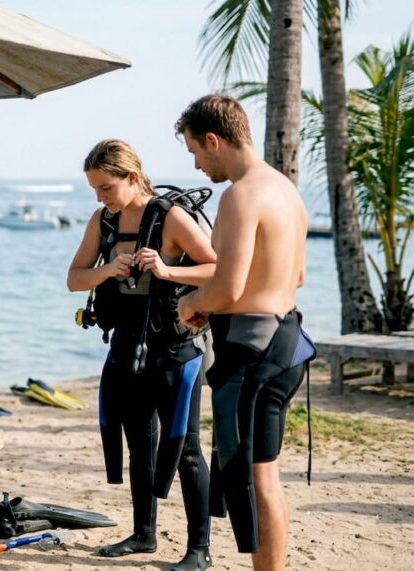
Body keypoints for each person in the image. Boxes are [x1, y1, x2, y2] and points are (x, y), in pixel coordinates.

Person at [175, 94, 313, 570]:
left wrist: (193, 302)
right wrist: (218, 305)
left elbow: (229, 286)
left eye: (195, 151)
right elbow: (296, 277)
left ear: (214, 140)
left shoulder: (239, 194)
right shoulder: (286, 190)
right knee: (264, 476)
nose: (196, 164)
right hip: (286, 342)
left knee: (249, 480)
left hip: (250, 353)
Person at [67, 139, 216, 571]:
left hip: (174, 350)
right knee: (139, 443)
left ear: (132, 178)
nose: (100, 197)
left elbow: (216, 266)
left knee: (185, 448)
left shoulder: (170, 216)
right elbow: (74, 279)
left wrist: (166, 270)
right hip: (127, 348)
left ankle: (199, 549)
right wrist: (108, 269)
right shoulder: (103, 220)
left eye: (106, 187)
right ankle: (143, 534)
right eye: (95, 189)